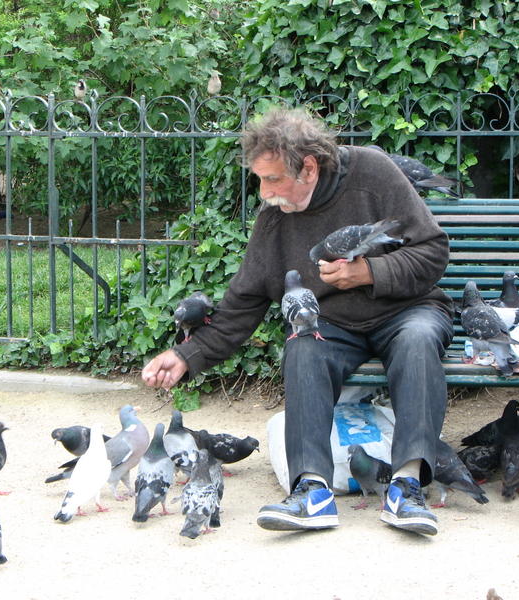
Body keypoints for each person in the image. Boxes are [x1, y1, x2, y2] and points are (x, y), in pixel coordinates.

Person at [141, 108, 454, 536]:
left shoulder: (373, 172)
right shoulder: (275, 219)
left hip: (408, 310)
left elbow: (433, 251)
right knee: (303, 345)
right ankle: (313, 491)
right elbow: (243, 302)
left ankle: (406, 486)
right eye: (260, 180)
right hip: (331, 324)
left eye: (272, 179)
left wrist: (369, 273)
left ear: (308, 167)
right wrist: (185, 353)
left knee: (418, 340)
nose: (265, 192)